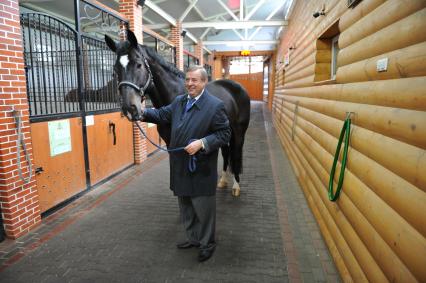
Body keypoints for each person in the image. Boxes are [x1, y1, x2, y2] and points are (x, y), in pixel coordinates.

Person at [141, 65, 231, 262]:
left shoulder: (215, 106)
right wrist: (142, 112)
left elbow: (225, 134)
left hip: (201, 168)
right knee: (186, 207)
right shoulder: (179, 102)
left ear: (204, 82)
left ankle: (207, 243)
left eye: (195, 80)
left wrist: (203, 143)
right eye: (188, 79)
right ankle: (193, 238)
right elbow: (161, 114)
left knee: (203, 209)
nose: (190, 83)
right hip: (180, 166)